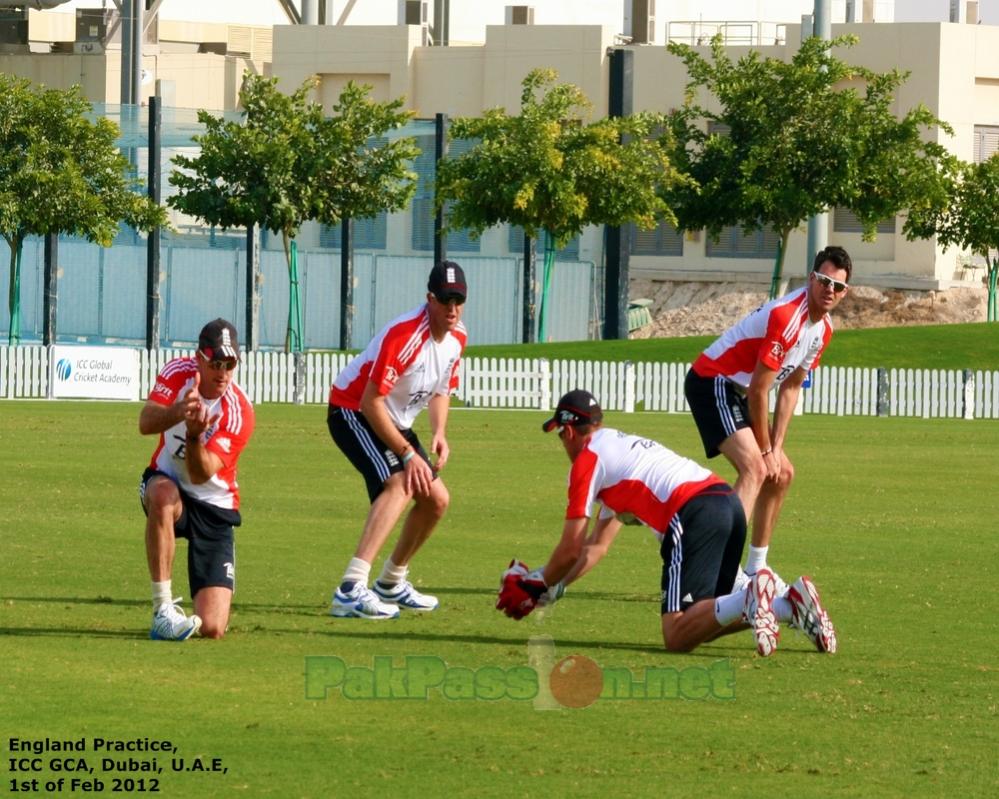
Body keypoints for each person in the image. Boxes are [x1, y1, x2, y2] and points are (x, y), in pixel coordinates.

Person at [495, 390, 836, 656]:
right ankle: (786, 605)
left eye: (559, 435)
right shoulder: (617, 446)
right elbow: (596, 548)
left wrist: (533, 585)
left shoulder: (588, 461)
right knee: (703, 621)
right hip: (725, 503)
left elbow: (571, 548)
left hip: (691, 514)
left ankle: (749, 594)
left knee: (676, 635)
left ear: (568, 431)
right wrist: (552, 587)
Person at [684, 246, 852, 587]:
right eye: (823, 281)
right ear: (811, 279)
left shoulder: (824, 330)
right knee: (757, 469)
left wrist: (777, 447)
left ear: (845, 292)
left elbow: (790, 388)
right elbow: (761, 390)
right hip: (712, 381)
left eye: (838, 286)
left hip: (739, 392)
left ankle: (755, 567)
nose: (829, 290)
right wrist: (765, 451)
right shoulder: (787, 316)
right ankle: (722, 572)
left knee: (783, 473)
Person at [326, 261, 468, 619]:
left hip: (394, 419)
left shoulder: (458, 338)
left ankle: (391, 581)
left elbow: (441, 391)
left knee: (437, 500)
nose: (452, 309)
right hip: (352, 411)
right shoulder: (405, 336)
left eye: (459, 300)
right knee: (402, 482)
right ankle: (350, 589)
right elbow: (369, 401)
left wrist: (438, 433)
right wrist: (407, 454)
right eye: (445, 300)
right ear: (429, 298)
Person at [138, 318, 255, 641]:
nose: (223, 372)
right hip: (168, 484)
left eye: (230, 364)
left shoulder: (239, 411)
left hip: (214, 505)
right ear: (199, 358)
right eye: (215, 362)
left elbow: (202, 472)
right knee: (161, 494)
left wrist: (194, 436)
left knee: (213, 627)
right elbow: (145, 422)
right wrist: (178, 412)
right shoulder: (177, 373)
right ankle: (163, 610)